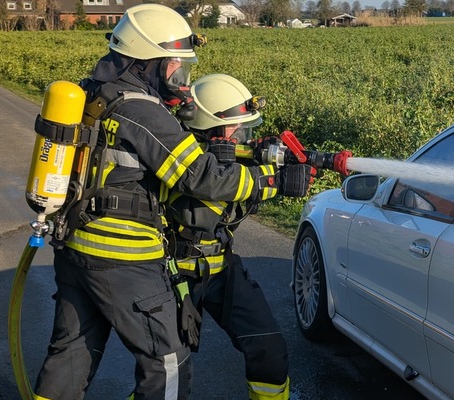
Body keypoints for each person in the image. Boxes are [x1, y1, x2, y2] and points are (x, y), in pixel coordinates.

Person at [32, 5, 312, 400]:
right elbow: (201, 176)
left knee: (71, 356)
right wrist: (273, 181)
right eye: (175, 67)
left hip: (77, 244)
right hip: (123, 255)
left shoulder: (95, 93)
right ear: (147, 62)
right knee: (167, 364)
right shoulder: (141, 110)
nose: (180, 79)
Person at [164, 73, 314, 400]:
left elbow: (237, 182)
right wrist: (274, 181)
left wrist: (286, 169)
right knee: (166, 372)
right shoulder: (182, 160)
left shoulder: (226, 159)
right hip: (171, 277)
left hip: (221, 271)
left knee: (269, 349)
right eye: (237, 129)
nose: (244, 137)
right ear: (212, 128)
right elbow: (208, 195)